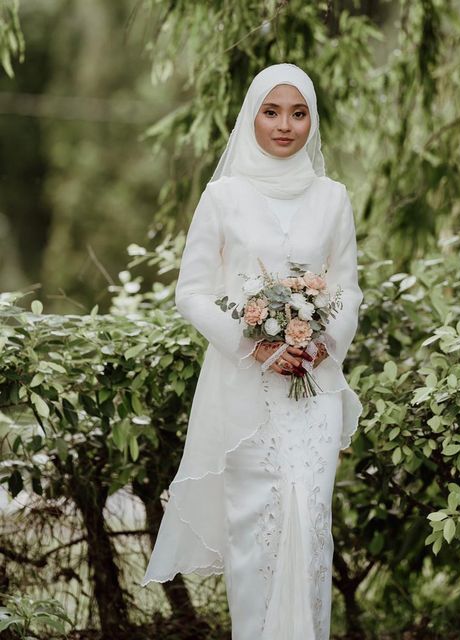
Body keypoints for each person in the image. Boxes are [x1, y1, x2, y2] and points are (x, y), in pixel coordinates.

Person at [140, 62, 363, 640]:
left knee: (308, 522)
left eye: (298, 112)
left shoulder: (333, 198)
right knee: (255, 527)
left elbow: (347, 287)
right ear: (251, 116)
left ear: (312, 120)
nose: (284, 125)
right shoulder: (223, 197)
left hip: (313, 391)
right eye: (271, 111)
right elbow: (191, 293)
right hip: (242, 390)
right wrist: (256, 345)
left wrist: (323, 340)